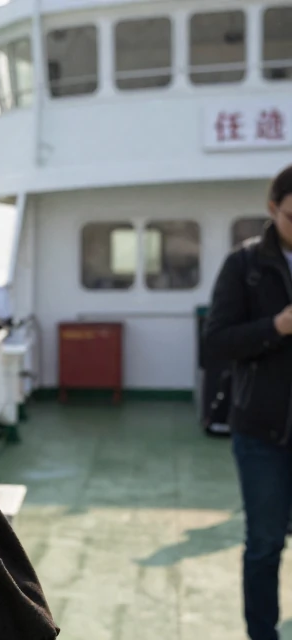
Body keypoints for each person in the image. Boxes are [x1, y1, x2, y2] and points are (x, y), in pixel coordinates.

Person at [204, 163, 292, 640]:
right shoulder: (245, 266)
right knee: (264, 544)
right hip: (262, 431)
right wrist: (274, 328)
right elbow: (215, 343)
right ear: (273, 209)